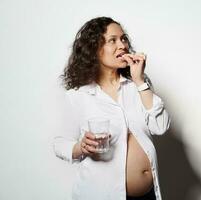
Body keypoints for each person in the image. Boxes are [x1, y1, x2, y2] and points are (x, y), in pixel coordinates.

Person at [53, 16, 171, 200]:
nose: (122, 45)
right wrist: (80, 147)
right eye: (112, 40)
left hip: (148, 195)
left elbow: (160, 126)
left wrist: (140, 81)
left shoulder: (137, 85)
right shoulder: (78, 96)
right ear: (94, 49)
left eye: (123, 39)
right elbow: (59, 143)